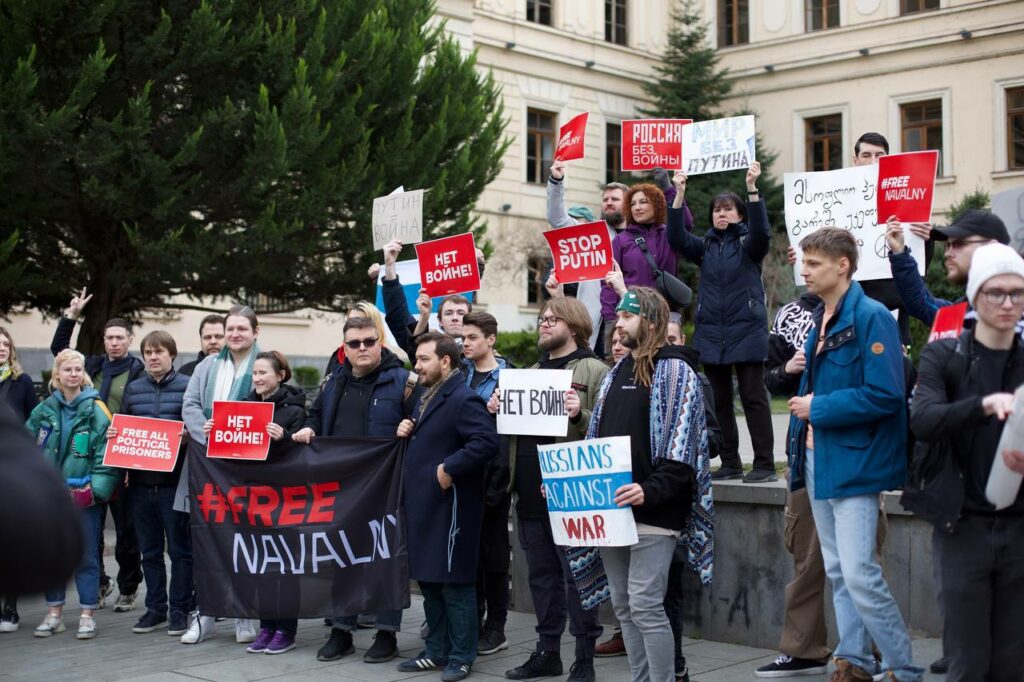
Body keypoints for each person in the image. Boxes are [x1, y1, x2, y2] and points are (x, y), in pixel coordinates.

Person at [786, 228, 922, 682]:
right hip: (816, 457)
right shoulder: (823, 315)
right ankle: (855, 660)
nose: (803, 270)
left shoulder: (872, 315)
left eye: (813, 263)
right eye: (804, 262)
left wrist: (817, 408)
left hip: (854, 461)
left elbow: (886, 394)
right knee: (841, 569)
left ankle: (903, 668)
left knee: (861, 572)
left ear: (842, 265)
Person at [587, 287, 714, 682]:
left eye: (627, 316)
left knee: (644, 604)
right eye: (618, 317)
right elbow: (597, 441)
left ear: (652, 323)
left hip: (656, 510)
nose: (618, 323)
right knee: (624, 606)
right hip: (612, 508)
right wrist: (569, 485)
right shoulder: (615, 374)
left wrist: (648, 489)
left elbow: (683, 450)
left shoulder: (675, 371)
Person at [911, 243, 1024, 682]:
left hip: (1018, 527)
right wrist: (981, 405)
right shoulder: (945, 355)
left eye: (1018, 293)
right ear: (976, 295)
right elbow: (921, 419)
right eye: (997, 292)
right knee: (967, 662)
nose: (1008, 302)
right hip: (962, 529)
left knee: (1013, 665)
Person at [497, 297, 608, 682]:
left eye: (551, 319)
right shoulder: (528, 373)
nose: (543, 324)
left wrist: (580, 412)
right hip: (528, 493)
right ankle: (548, 652)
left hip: (571, 493)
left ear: (574, 326)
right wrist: (497, 407)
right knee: (542, 577)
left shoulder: (594, 370)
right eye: (542, 319)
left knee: (579, 576)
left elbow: (608, 429)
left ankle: (584, 658)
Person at [294, 315, 415, 664]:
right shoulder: (333, 382)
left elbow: (420, 423)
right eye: (354, 343)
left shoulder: (404, 382)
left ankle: (387, 634)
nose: (362, 348)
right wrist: (308, 429)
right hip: (342, 488)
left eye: (368, 341)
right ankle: (341, 631)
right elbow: (315, 416)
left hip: (387, 488)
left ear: (380, 343)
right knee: (342, 557)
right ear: (344, 349)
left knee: (386, 559)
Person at [395, 332, 498, 682]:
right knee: (431, 584)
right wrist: (408, 426)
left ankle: (461, 656)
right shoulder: (426, 394)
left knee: (455, 586)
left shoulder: (463, 398)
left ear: (445, 361)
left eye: (424, 359)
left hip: (452, 509)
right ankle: (436, 651)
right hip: (425, 506)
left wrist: (449, 467)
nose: (417, 365)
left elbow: (486, 442)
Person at [669, 164, 776, 483]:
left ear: (740, 214)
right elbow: (675, 236)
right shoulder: (705, 248)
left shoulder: (749, 245)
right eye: (717, 210)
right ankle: (730, 462)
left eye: (728, 209)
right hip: (712, 334)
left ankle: (765, 465)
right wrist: (680, 194)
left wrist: (753, 190)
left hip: (747, 331)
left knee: (753, 398)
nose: (722, 214)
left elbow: (763, 235)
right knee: (720, 401)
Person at [51, 288, 145, 612]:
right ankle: (101, 583)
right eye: (109, 338)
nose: (114, 343)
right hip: (86, 461)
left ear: (130, 340)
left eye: (120, 337)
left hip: (121, 461)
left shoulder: (138, 372)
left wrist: (132, 463)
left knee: (126, 529)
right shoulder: (91, 366)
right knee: (90, 528)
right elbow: (59, 350)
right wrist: (71, 316)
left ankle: (129, 585)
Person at [178, 304, 262, 645]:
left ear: (255, 332)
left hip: (247, 471)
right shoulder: (207, 366)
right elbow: (190, 405)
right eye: (231, 328)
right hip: (207, 467)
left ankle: (244, 615)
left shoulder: (265, 363)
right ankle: (206, 614)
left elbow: (277, 404)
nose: (235, 334)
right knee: (207, 541)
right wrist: (207, 433)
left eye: (242, 328)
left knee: (244, 543)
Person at [26, 349, 119, 640]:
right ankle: (54, 613)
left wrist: (95, 490)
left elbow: (106, 453)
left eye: (78, 369)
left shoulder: (97, 408)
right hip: (50, 499)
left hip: (83, 498)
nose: (74, 374)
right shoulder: (44, 409)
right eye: (68, 369)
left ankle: (87, 613)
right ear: (57, 374)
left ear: (84, 373)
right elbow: (26, 447)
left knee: (87, 555)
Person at [109, 331, 193, 638]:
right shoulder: (133, 389)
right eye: (147, 353)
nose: (153, 357)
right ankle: (155, 608)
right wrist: (115, 436)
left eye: (159, 352)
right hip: (140, 487)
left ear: (172, 354)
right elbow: (125, 427)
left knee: (181, 552)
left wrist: (186, 437)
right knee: (150, 552)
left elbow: (195, 430)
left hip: (174, 485)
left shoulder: (187, 387)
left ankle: (179, 611)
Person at [227, 351, 307, 655]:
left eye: (264, 373)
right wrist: (215, 433)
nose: (258, 378)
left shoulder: (295, 410)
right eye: (255, 373)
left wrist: (285, 437)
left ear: (280, 375)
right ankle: (266, 627)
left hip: (285, 499)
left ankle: (286, 630)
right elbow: (232, 451)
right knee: (261, 565)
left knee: (284, 566)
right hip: (253, 498)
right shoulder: (244, 408)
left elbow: (302, 456)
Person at [459, 312, 513, 656]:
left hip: (495, 476)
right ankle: (471, 622)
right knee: (470, 554)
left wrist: (500, 410)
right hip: (463, 472)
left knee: (493, 556)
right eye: (463, 337)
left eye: (473, 337)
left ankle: (497, 626)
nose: (465, 342)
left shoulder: (510, 377)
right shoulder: (458, 374)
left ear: (490, 340)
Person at [888, 209, 1017, 334]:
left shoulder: (1018, 313)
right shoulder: (963, 311)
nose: (948, 253)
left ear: (992, 247)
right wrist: (899, 253)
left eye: (958, 244)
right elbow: (920, 303)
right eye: (947, 245)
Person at [599, 183, 685, 324]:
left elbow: (684, 222)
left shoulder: (669, 235)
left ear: (657, 204)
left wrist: (676, 190)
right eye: (632, 204)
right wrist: (610, 319)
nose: (637, 207)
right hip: (630, 315)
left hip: (665, 316)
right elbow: (608, 283)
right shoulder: (621, 240)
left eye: (643, 202)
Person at [0, 327, 39, 633]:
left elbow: (34, 423)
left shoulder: (21, 382)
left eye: (5, 344)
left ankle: (10, 609)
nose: (1, 348)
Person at [379, 239, 474, 356]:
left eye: (461, 313)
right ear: (440, 321)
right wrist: (389, 266)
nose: (455, 318)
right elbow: (398, 317)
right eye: (448, 313)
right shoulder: (427, 349)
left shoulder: (485, 356)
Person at [325, 301, 393, 379]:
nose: (354, 325)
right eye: (350, 321)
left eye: (361, 321)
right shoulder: (338, 355)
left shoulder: (390, 362)